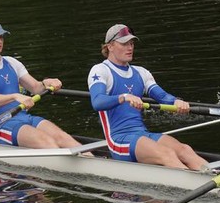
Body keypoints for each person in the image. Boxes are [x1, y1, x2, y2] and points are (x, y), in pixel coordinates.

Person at [87, 24, 209, 170]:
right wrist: (124, 97)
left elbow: (162, 96)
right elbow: (97, 102)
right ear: (110, 46)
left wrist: (176, 101)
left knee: (184, 150)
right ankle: (194, 181)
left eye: (132, 43)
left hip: (142, 135)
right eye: (124, 44)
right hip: (119, 139)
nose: (130, 48)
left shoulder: (141, 72)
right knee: (166, 154)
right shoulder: (100, 70)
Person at [0, 19, 84, 149]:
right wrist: (15, 96)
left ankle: (89, 159)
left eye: (1, 37)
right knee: (48, 143)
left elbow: (35, 88)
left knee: (65, 139)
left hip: (25, 117)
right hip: (1, 124)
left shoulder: (11, 62)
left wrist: (46, 83)